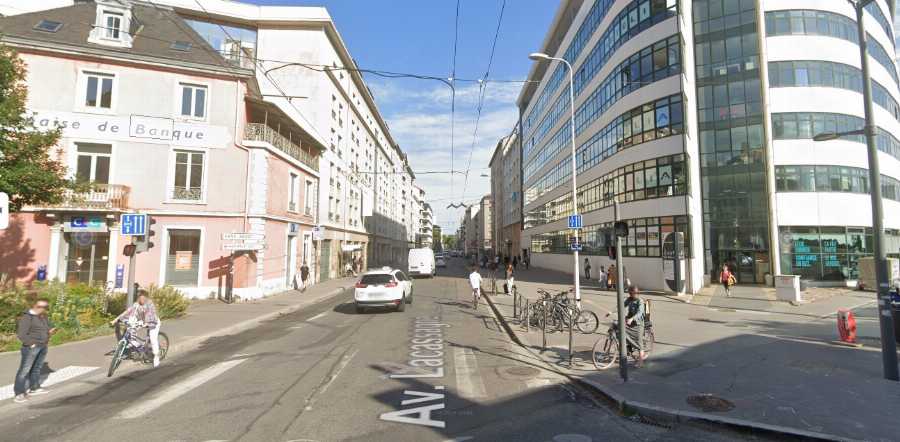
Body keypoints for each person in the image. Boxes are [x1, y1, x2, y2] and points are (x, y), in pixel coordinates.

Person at [13, 298, 55, 403]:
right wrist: (31, 344)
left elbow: (47, 327)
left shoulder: (43, 316)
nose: (43, 309)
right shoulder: (27, 317)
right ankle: (19, 393)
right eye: (41, 306)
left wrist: (50, 331)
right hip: (31, 348)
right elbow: (21, 334)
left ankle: (34, 388)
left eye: (45, 307)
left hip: (43, 345)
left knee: (36, 368)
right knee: (24, 370)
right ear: (35, 306)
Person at [111, 291, 161, 368]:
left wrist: (147, 323)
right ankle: (136, 346)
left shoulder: (150, 304)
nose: (142, 300)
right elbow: (127, 312)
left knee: (152, 338)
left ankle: (156, 356)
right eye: (140, 298)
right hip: (143, 322)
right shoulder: (136, 304)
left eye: (143, 298)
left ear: (146, 298)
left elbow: (151, 315)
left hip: (153, 323)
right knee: (130, 329)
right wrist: (116, 319)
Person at [624, 285, 647, 368]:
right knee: (621, 330)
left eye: (632, 293)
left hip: (638, 324)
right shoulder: (629, 299)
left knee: (639, 343)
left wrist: (632, 319)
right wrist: (611, 312)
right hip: (630, 322)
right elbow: (621, 305)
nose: (630, 295)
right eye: (630, 293)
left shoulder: (640, 301)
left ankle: (641, 362)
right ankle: (628, 347)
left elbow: (640, 313)